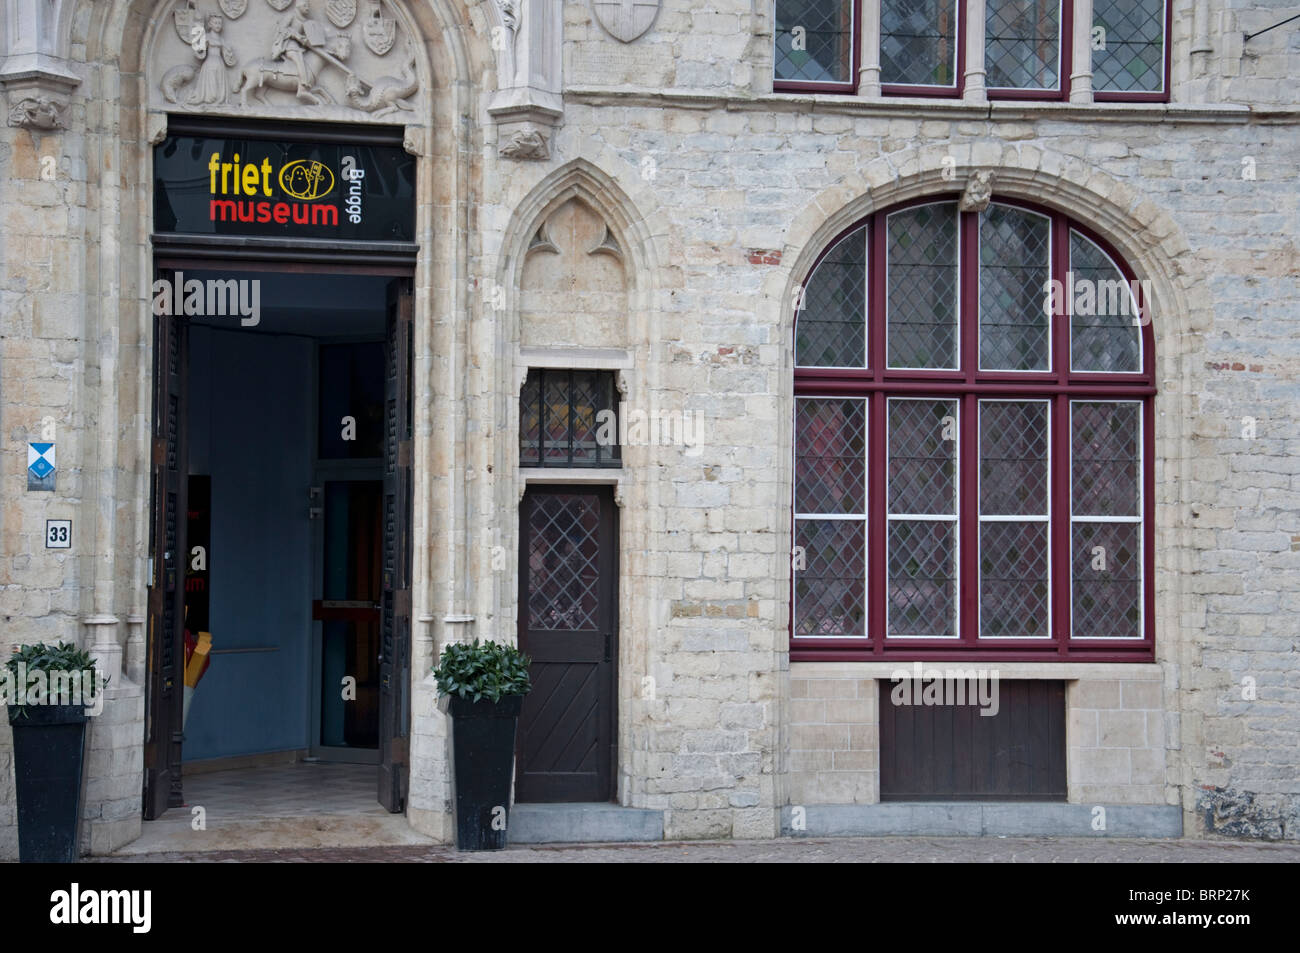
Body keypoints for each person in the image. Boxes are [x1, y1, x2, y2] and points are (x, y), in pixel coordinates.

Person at [187, 14, 236, 105]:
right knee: (211, 84)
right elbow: (199, 51)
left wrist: (229, 52)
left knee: (219, 83)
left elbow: (227, 56)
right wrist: (201, 46)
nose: (218, 25)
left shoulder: (222, 40)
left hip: (219, 63)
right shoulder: (207, 37)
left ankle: (218, 101)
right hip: (210, 63)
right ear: (210, 24)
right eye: (215, 23)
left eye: (219, 23)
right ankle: (209, 99)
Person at [270, 0, 314, 99]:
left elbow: (305, 36)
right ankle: (303, 86)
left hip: (298, 46)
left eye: (308, 6)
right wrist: (295, 34)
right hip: (289, 46)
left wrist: (305, 39)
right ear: (299, 7)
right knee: (299, 61)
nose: (308, 8)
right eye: (305, 6)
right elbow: (282, 29)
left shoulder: (304, 21)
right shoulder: (291, 16)